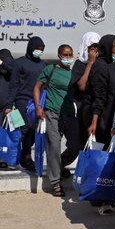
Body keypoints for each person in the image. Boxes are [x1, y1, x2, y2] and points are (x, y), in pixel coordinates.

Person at [34, 44, 79, 197]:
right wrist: (38, 107)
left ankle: (57, 166)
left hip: (69, 114)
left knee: (75, 145)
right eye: (65, 55)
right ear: (60, 55)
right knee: (54, 145)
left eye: (70, 55)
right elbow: (37, 87)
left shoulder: (73, 73)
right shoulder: (50, 69)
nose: (68, 58)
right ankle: (55, 182)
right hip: (51, 112)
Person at [14, 36, 46, 171]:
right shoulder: (20, 63)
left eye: (41, 49)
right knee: (26, 128)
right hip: (22, 99)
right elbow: (14, 84)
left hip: (37, 100)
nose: (39, 51)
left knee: (34, 129)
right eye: (37, 49)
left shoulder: (43, 65)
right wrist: (10, 104)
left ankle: (23, 152)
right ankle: (26, 157)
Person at [87, 35, 115, 146]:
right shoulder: (101, 65)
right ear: (107, 48)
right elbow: (99, 95)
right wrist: (95, 121)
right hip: (100, 116)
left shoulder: (110, 65)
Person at [71, 31, 101, 149]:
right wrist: (89, 64)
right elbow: (82, 86)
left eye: (96, 46)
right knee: (83, 143)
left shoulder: (101, 64)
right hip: (83, 109)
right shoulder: (79, 64)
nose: (94, 50)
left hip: (98, 108)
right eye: (91, 47)